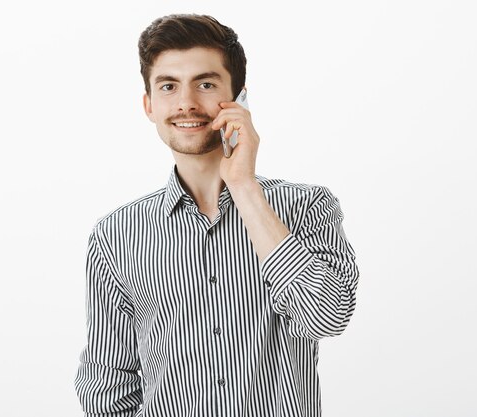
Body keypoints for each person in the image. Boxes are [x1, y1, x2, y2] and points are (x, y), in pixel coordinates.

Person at [74, 14, 359, 417]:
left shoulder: (307, 207)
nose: (187, 102)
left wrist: (244, 187)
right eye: (168, 86)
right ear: (149, 105)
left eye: (205, 84)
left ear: (238, 98)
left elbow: (327, 317)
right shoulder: (116, 235)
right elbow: (107, 384)